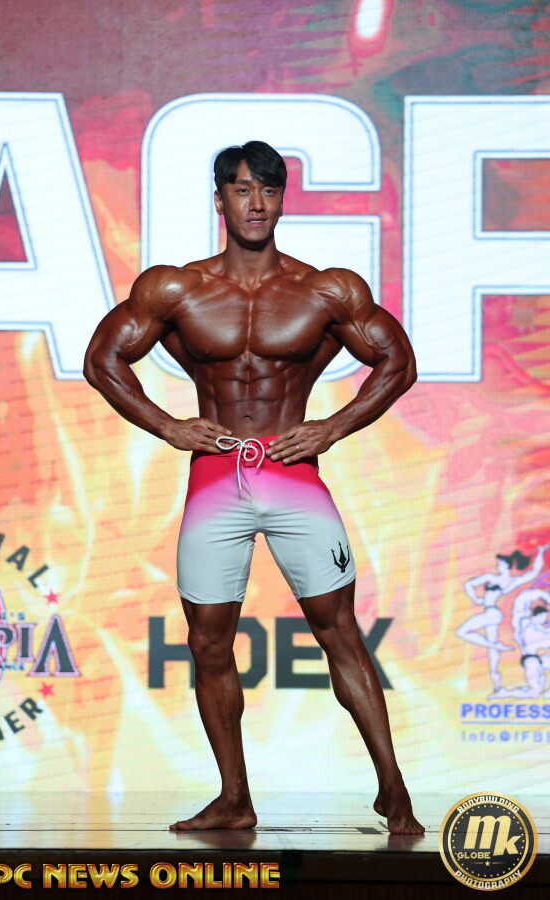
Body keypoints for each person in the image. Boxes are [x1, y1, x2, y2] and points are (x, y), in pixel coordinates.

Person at [84, 140, 423, 834]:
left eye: (268, 190)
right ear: (221, 200)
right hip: (216, 475)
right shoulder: (175, 288)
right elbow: (102, 360)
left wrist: (332, 427)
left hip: (292, 470)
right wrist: (167, 425)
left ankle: (394, 790)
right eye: (242, 190)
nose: (256, 203)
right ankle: (234, 798)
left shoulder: (326, 289)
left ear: (282, 200)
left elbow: (398, 361)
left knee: (338, 630)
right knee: (209, 642)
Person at [456, 545, 548, 694]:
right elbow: (468, 584)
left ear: (506, 566)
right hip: (492, 614)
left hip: (492, 613)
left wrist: (540, 553)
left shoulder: (500, 580)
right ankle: (496, 683)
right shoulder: (501, 580)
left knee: (461, 631)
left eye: (499, 564)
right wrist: (476, 599)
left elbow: (533, 573)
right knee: (492, 650)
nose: (497, 566)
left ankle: (498, 647)